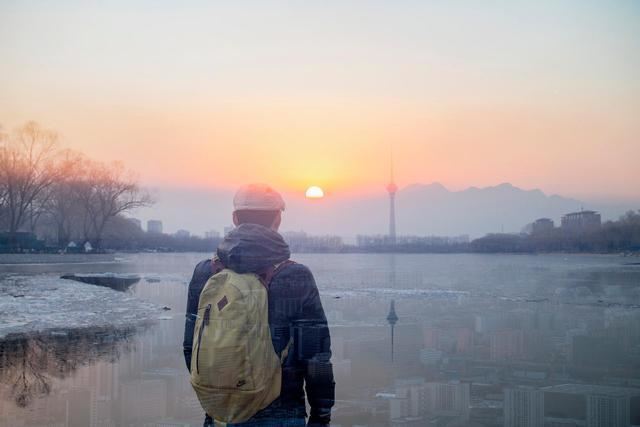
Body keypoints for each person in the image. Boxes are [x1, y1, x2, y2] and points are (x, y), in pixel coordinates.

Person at [183, 184, 335, 427]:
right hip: (283, 411)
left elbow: (193, 348)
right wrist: (321, 415)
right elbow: (316, 356)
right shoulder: (295, 276)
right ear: (278, 219)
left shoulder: (205, 273)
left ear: (234, 219)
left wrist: (219, 395)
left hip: (221, 413)